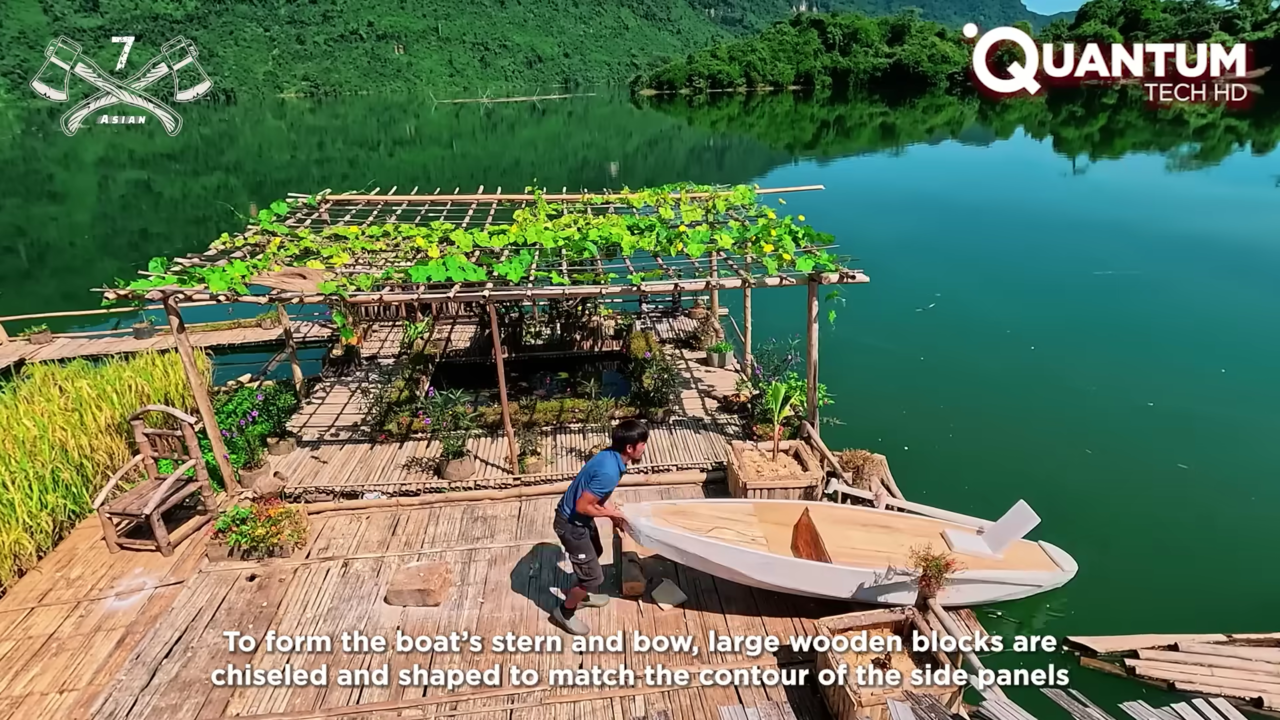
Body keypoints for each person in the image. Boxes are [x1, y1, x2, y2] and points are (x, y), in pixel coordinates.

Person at [550, 419, 648, 635]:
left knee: (596, 552)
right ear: (629, 448)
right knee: (594, 577)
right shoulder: (609, 471)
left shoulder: (610, 457)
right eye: (642, 443)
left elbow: (599, 495)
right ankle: (564, 612)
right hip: (571, 525)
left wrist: (611, 514)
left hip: (579, 521)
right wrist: (612, 513)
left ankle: (579, 594)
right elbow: (583, 506)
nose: (644, 447)